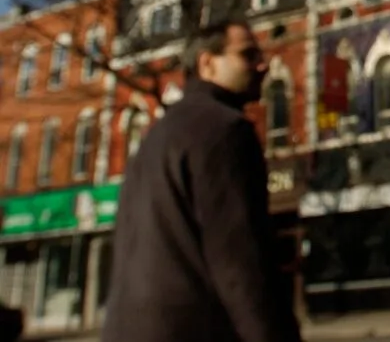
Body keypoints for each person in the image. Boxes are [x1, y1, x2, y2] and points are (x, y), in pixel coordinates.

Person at [102, 21, 302, 342]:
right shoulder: (225, 130)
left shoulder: (157, 137)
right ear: (207, 63)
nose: (262, 65)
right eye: (247, 55)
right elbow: (240, 262)